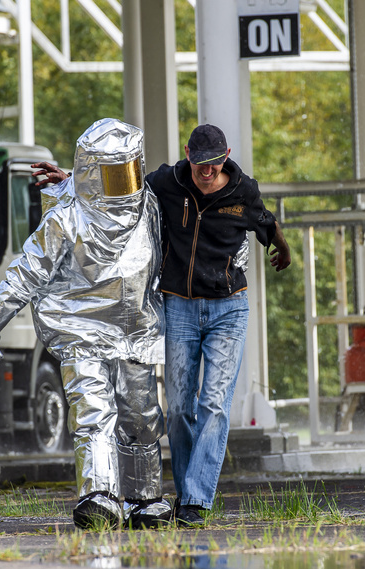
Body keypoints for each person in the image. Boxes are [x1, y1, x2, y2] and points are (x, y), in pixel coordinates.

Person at [0, 118, 172, 530]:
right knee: (93, 413)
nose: (123, 183)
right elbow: (26, 270)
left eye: (128, 171)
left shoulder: (147, 206)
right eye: (112, 174)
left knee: (140, 415)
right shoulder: (66, 219)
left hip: (133, 332)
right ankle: (98, 494)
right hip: (80, 332)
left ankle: (144, 498)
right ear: (92, 173)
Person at [146, 124, 291, 527]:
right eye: (198, 163)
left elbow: (265, 222)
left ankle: (194, 500)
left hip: (229, 309)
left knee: (213, 403)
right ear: (188, 154)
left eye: (213, 164)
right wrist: (73, 180)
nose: (205, 171)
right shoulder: (168, 181)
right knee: (177, 409)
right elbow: (124, 191)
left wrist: (283, 246)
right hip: (180, 308)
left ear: (224, 155)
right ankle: (186, 491)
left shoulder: (243, 190)